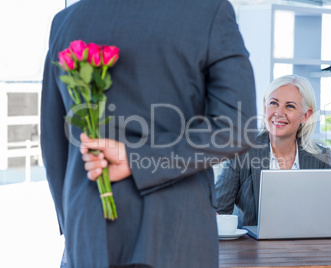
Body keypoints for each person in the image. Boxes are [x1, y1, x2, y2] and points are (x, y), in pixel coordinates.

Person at [40, 0, 257, 267]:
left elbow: (54, 144)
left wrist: (74, 224)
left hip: (88, 232)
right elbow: (237, 127)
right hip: (177, 233)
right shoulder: (208, 11)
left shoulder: (67, 20)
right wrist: (137, 159)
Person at [215, 74, 331, 228]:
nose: (278, 112)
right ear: (265, 108)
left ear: (305, 116)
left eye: (290, 106)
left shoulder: (321, 158)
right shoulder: (242, 153)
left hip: (305, 248)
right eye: (273, 103)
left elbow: (326, 217)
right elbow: (217, 211)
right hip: (252, 249)